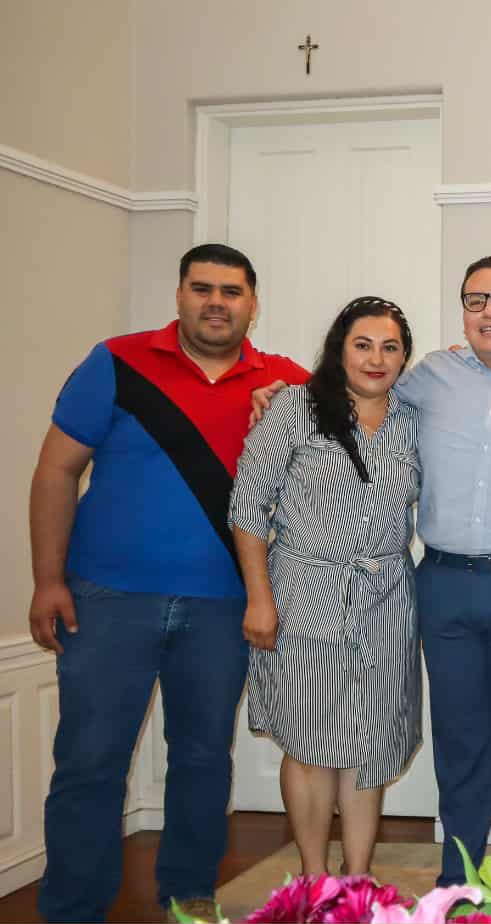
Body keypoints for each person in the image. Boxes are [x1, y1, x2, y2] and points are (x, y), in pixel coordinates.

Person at [253, 256, 491, 890]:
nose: (489, 311)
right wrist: (276, 390)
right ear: (463, 311)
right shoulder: (425, 377)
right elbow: (349, 386)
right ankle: (459, 879)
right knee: (458, 741)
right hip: (439, 584)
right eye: (475, 299)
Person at [28, 244, 308, 922]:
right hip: (106, 599)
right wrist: (46, 580)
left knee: (204, 760)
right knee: (90, 762)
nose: (217, 302)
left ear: (253, 302)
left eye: (232, 291)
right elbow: (56, 472)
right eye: (203, 288)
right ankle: (71, 908)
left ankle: (190, 897)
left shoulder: (287, 383)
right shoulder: (116, 363)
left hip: (223, 608)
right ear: (180, 296)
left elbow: (368, 416)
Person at [230, 297, 421, 879]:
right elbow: (247, 507)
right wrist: (260, 598)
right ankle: (314, 878)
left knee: (369, 745)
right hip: (306, 594)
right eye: (363, 344)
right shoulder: (292, 408)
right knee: (312, 742)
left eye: (390, 347)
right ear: (340, 349)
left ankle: (357, 880)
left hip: (388, 600)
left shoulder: (411, 418)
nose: (376, 358)